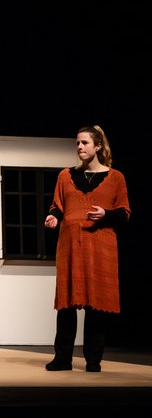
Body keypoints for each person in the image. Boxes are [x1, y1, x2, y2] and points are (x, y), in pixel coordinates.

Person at [43, 125, 130, 373]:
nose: (79, 147)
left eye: (84, 143)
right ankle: (63, 358)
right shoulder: (65, 176)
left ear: (98, 146)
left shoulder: (116, 178)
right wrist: (54, 216)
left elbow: (124, 213)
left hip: (100, 247)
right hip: (70, 246)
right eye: (77, 143)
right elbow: (57, 204)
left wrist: (106, 214)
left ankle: (93, 360)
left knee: (96, 305)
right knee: (66, 304)